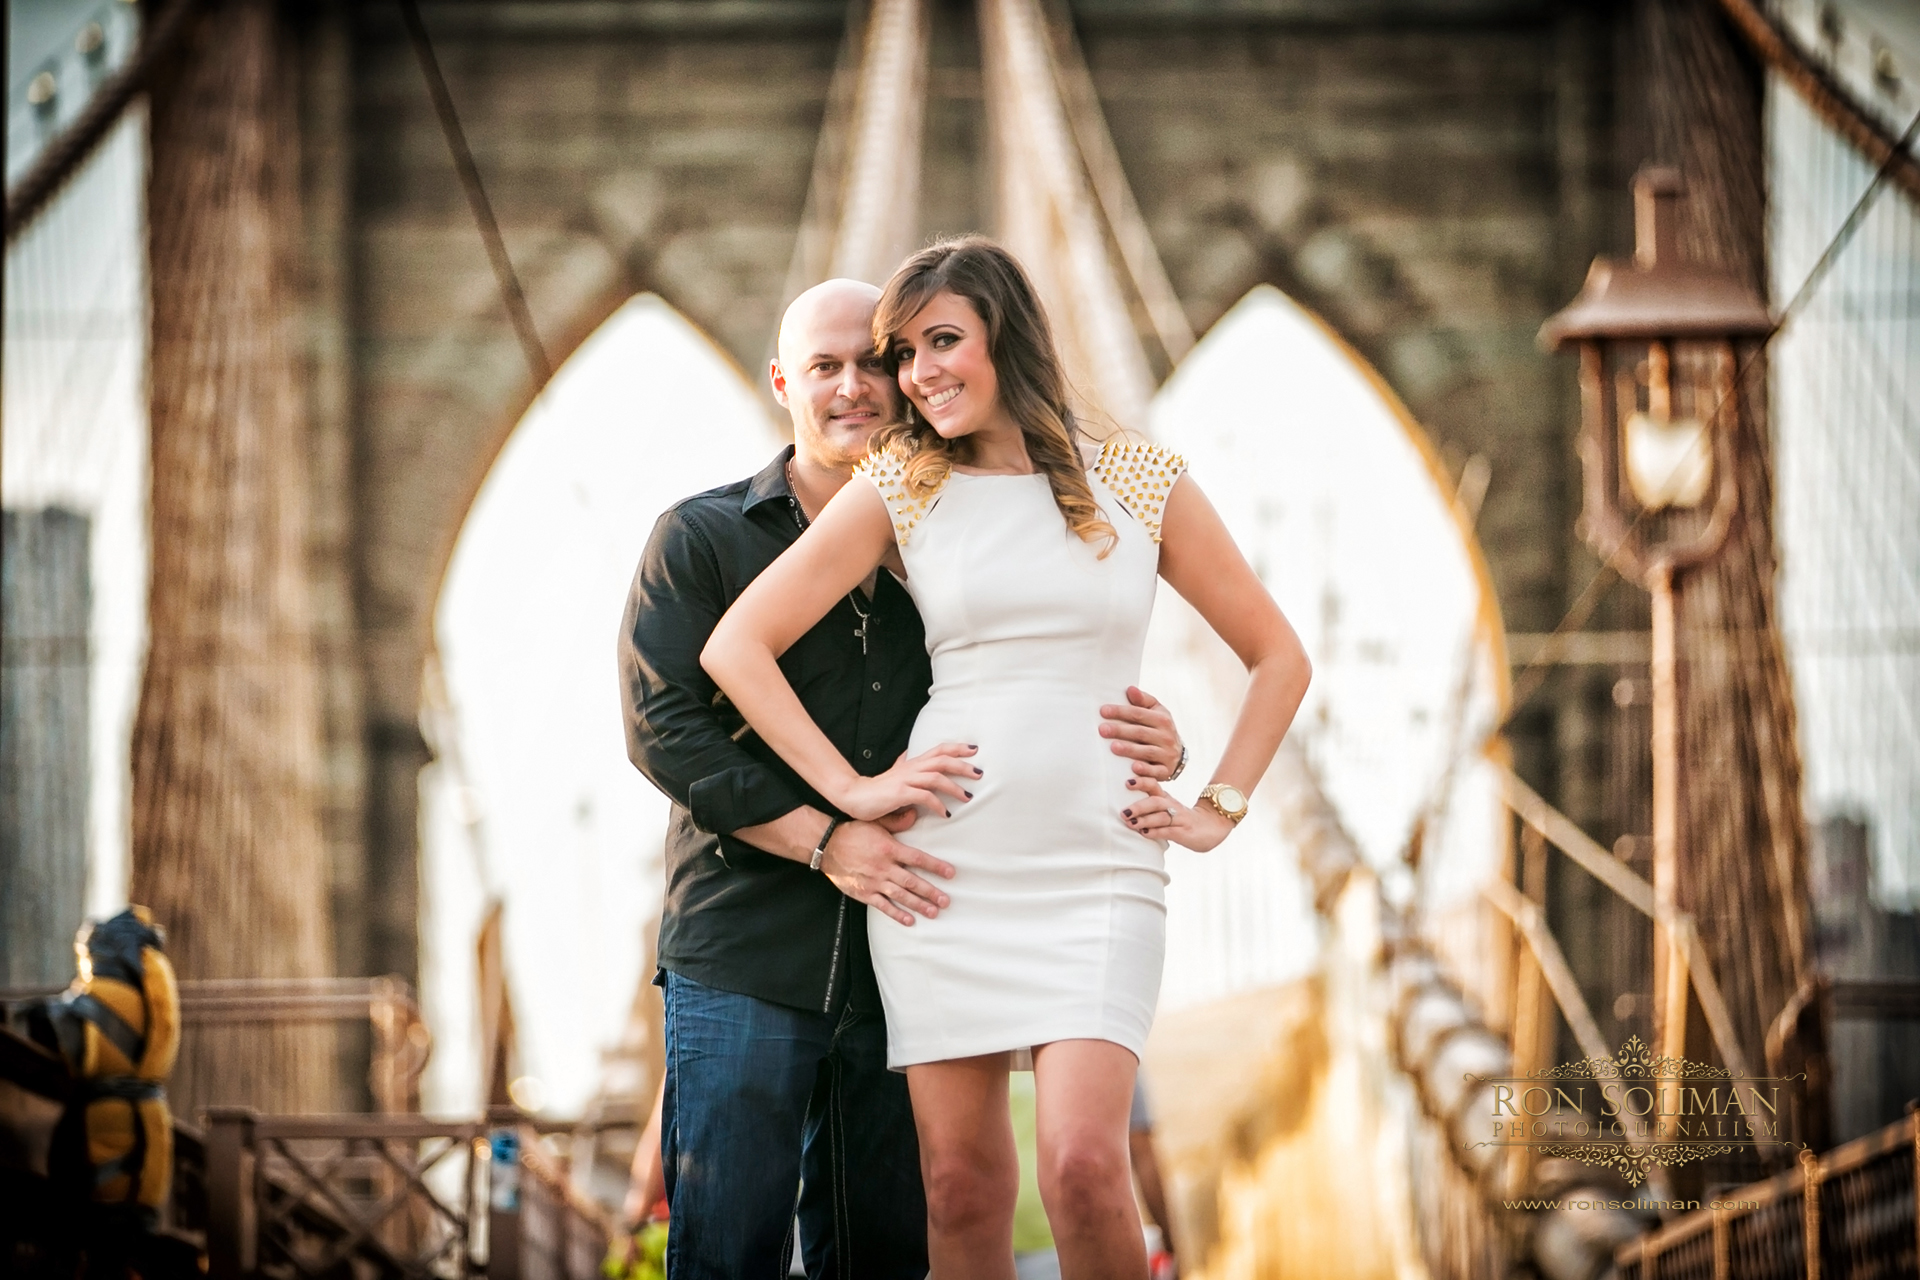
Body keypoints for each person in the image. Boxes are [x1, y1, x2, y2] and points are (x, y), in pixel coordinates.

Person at [701, 238, 1311, 1279]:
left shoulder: (1135, 473)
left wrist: (1219, 801)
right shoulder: (902, 482)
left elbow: (1277, 655)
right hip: (947, 878)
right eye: (903, 353)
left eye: (943, 340)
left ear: (1007, 337)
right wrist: (854, 790)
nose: (917, 372)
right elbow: (735, 647)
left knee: (1081, 1164)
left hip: (1099, 867)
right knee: (961, 1187)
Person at [618, 276, 1191, 1279]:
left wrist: (1153, 738)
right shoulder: (700, 537)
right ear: (781, 381)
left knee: (888, 1251)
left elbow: (1034, 662)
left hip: (909, 940)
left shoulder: (952, 527)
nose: (855, 387)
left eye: (874, 362)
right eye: (825, 367)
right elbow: (665, 728)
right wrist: (831, 828)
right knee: (727, 1254)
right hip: (749, 946)